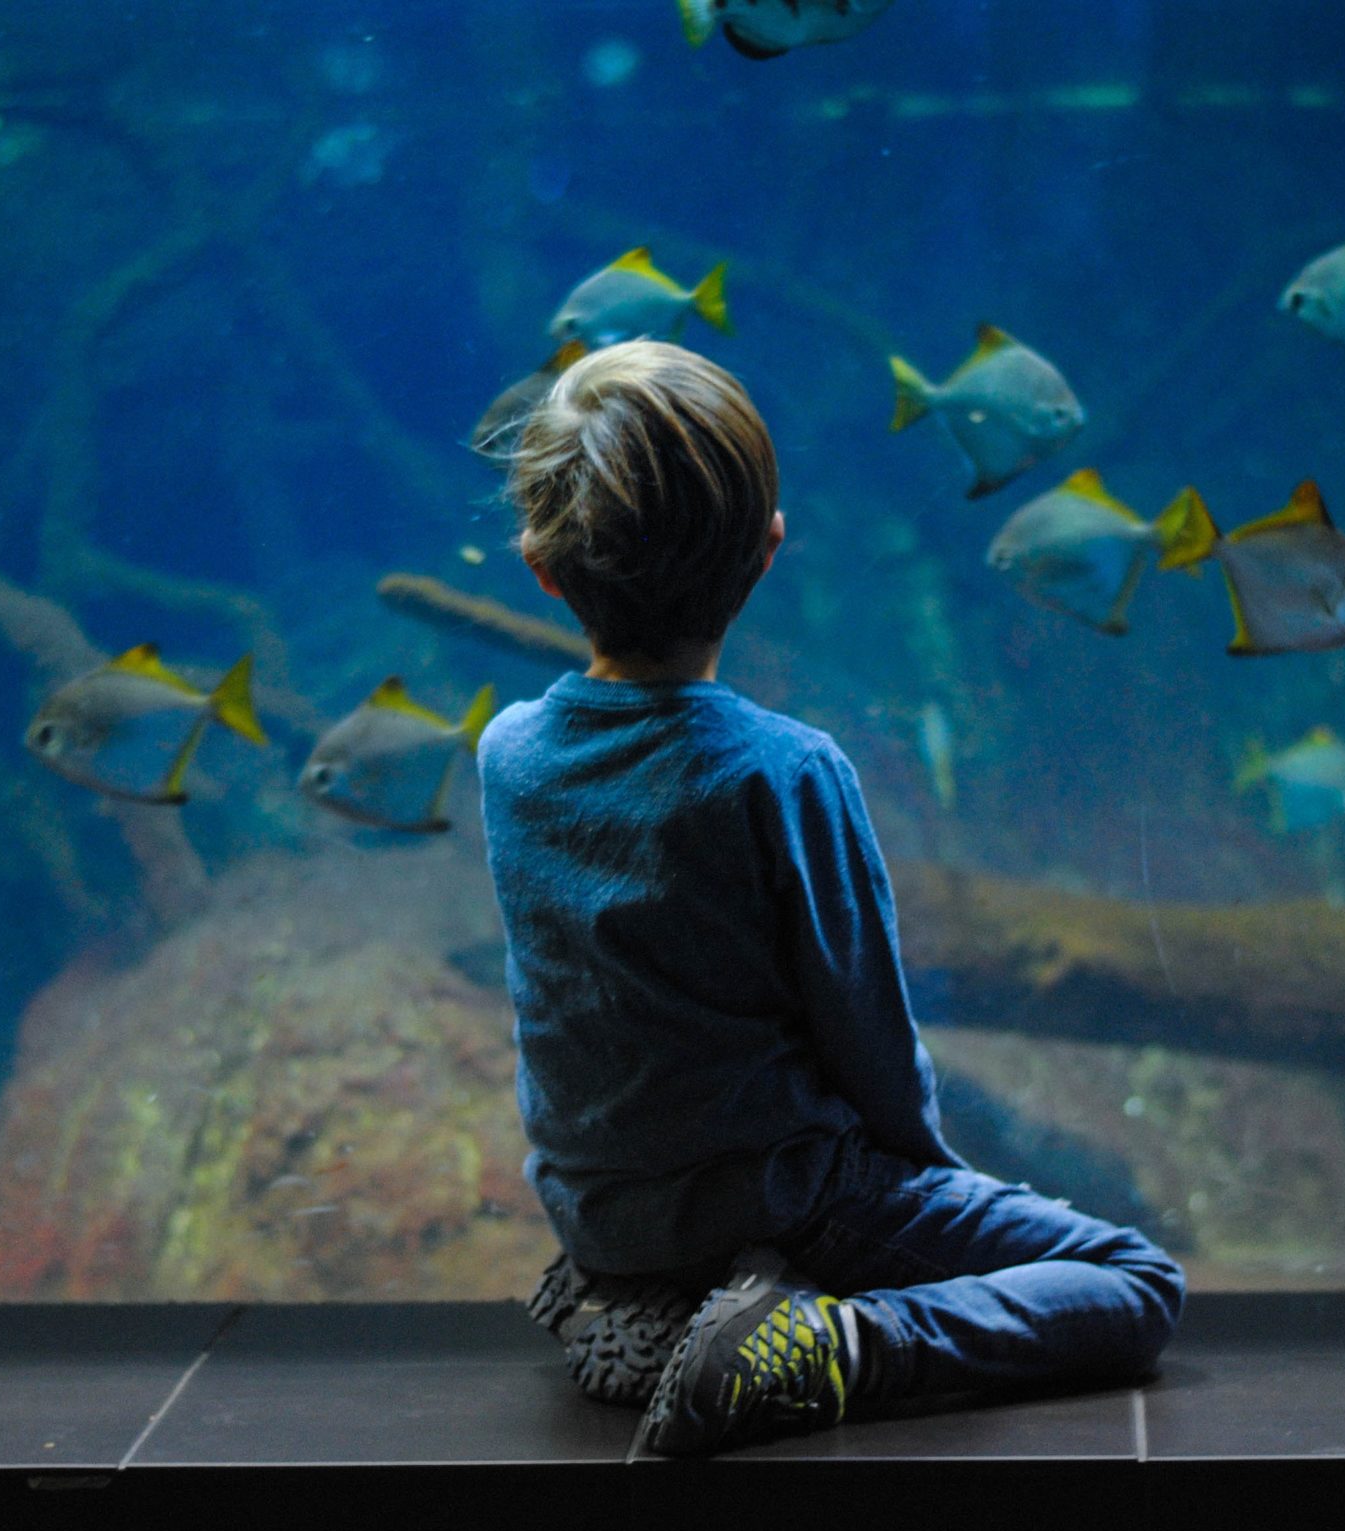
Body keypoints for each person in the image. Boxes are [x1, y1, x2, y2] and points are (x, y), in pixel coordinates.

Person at [479, 341, 1184, 1458]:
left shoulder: (506, 753)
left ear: (542, 567)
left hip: (601, 1213)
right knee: (1132, 1278)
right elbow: (865, 1028)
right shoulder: (783, 770)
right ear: (767, 552)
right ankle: (838, 1344)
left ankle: (650, 1302)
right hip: (786, 1196)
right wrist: (929, 1175)